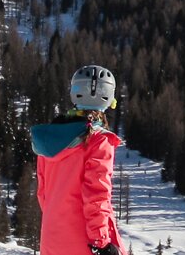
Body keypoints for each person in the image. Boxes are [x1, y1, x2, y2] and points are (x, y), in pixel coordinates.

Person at [30, 65, 125, 255]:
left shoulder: (51, 138)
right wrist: (101, 242)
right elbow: (96, 195)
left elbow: (43, 193)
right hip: (84, 243)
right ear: (109, 99)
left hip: (52, 240)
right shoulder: (99, 141)